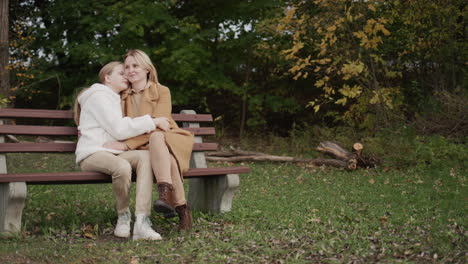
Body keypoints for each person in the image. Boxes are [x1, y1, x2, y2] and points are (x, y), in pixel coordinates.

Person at [74, 61, 169, 240]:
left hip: (111, 151)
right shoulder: (98, 96)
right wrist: (153, 121)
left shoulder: (114, 97)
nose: (126, 75)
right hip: (91, 153)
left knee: (145, 157)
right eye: (121, 73)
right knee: (122, 167)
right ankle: (123, 215)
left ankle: (142, 221)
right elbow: (118, 129)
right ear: (107, 78)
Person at [104, 49, 195, 231]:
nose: (130, 70)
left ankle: (165, 193)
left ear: (147, 69)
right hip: (146, 148)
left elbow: (159, 124)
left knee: (156, 136)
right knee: (166, 159)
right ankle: (178, 206)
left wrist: (127, 144)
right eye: (127, 67)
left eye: (135, 65)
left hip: (167, 139)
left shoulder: (162, 91)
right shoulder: (121, 95)